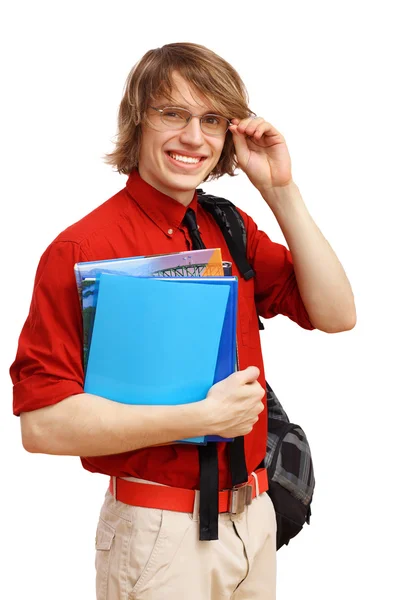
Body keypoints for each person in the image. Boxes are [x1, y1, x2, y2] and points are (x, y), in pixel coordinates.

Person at [10, 42, 356, 600]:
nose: (193, 137)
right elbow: (42, 425)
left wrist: (279, 190)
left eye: (211, 119)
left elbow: (338, 314)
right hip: (160, 534)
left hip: (255, 519)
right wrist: (200, 417)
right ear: (138, 119)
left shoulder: (229, 226)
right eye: (172, 113)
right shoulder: (81, 248)